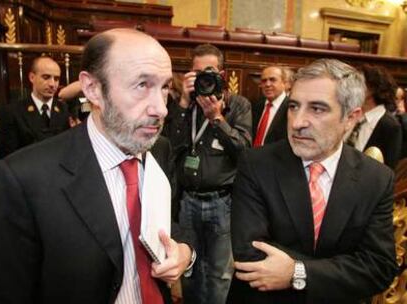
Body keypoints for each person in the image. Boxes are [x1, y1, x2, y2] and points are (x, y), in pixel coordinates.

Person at [0, 28, 194, 304]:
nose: (161, 108)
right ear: (93, 89)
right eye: (142, 85)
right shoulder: (22, 178)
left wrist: (185, 252)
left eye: (164, 87)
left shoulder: (157, 149)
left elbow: (163, 222)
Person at [228, 59, 397, 304]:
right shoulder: (256, 164)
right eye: (294, 106)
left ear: (351, 117)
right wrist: (342, 270)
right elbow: (251, 255)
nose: (297, 122)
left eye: (317, 109)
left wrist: (297, 272)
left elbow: (379, 267)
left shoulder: (377, 179)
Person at [165, 43, 252, 304]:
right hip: (187, 200)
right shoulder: (185, 105)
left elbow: (244, 151)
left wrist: (216, 118)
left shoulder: (237, 105)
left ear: (222, 74)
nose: (204, 77)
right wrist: (182, 101)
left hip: (222, 202)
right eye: (197, 72)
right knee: (190, 267)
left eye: (209, 71)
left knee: (219, 273)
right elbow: (170, 146)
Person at [0, 56, 70, 159]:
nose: (52, 84)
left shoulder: (63, 110)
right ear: (32, 77)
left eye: (56, 79)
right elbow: (6, 160)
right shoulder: (13, 112)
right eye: (46, 77)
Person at [346, 64, 402, 169]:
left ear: (372, 89)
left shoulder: (389, 126)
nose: (352, 88)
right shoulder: (350, 115)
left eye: (358, 83)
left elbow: (388, 169)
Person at [252, 66, 288, 147]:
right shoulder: (256, 106)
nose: (267, 84)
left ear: (284, 83)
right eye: (264, 81)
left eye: (272, 80)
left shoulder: (291, 108)